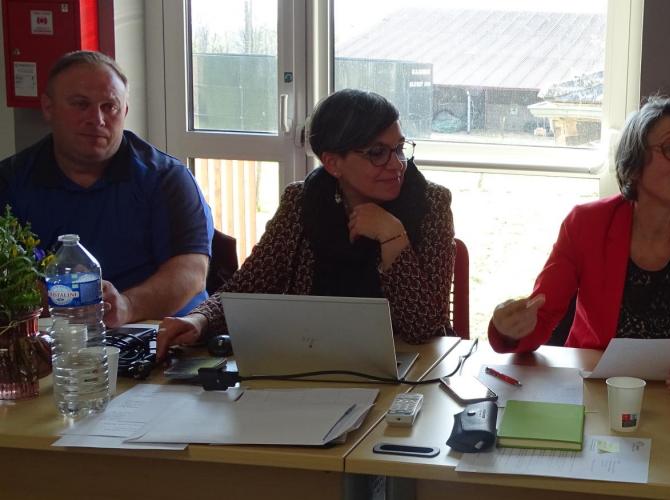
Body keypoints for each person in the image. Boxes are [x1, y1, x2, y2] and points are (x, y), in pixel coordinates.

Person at [488, 96, 670, 396]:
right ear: (634, 164)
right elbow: (539, 318)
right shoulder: (585, 224)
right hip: (596, 384)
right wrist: (509, 329)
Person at [155, 89, 454, 358]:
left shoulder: (431, 205)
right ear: (333, 163)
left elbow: (423, 329)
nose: (397, 164)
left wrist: (392, 236)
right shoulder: (303, 202)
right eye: (377, 153)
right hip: (315, 361)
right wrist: (199, 319)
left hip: (413, 369)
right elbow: (248, 288)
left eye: (399, 148)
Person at [0, 51, 213, 327]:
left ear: (124, 111)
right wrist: (56, 304)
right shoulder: (11, 180)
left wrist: (127, 305)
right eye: (81, 104)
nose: (97, 119)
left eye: (109, 106)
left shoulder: (167, 178)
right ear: (48, 108)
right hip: (50, 336)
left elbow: (192, 271)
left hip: (155, 334)